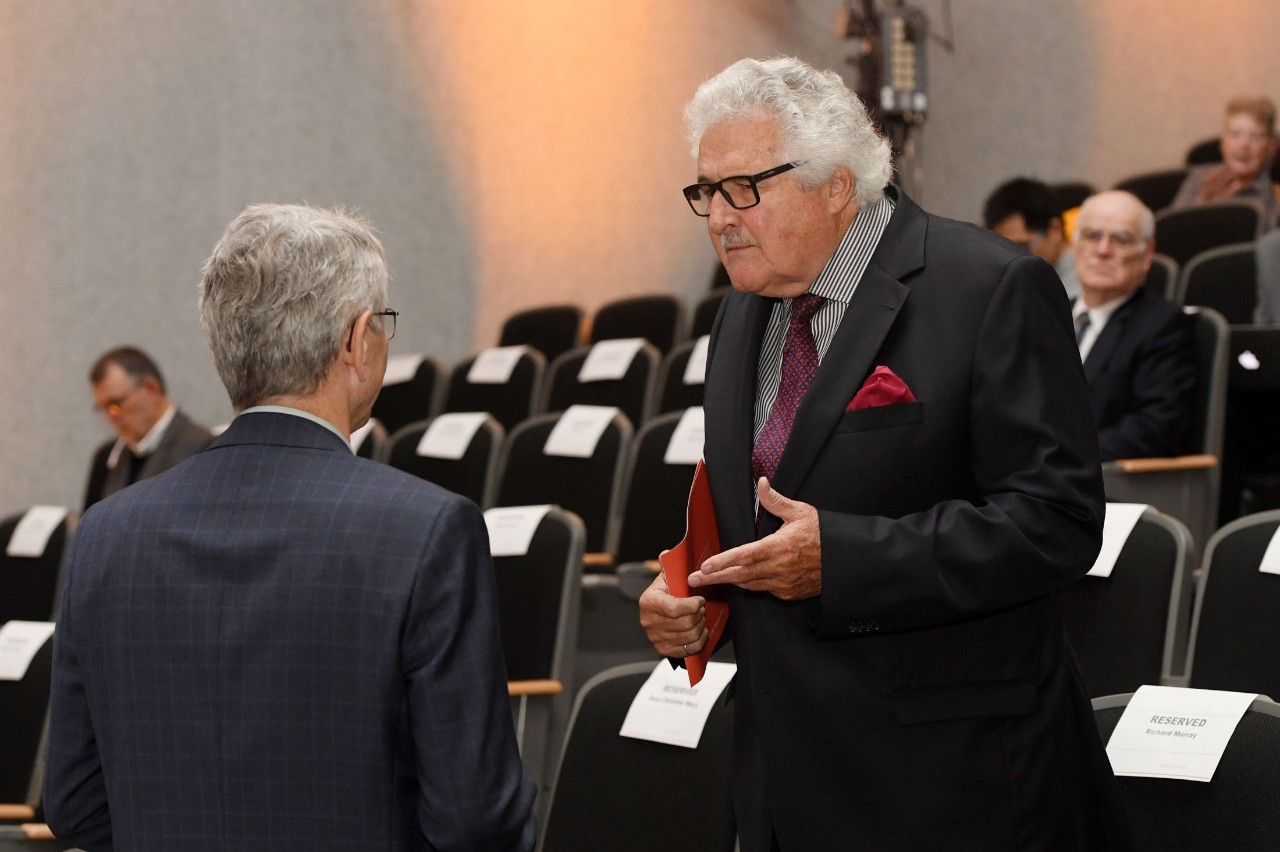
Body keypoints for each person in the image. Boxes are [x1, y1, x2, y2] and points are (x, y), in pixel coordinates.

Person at [639, 57, 1132, 851]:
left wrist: (848, 559)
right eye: (706, 191)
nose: (720, 217)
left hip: (949, 785)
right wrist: (697, 608)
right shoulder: (738, 315)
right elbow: (762, 510)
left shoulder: (990, 286)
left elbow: (1057, 520)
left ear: (835, 182)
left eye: (744, 188)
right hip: (787, 784)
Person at [45, 204, 536, 851]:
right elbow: (477, 819)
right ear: (357, 341)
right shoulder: (427, 531)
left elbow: (74, 804)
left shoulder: (105, 537)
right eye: (383, 325)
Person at [1073, 190, 1196, 460]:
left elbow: (1154, 430)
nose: (1103, 250)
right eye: (1092, 235)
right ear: (1076, 245)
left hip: (1099, 481)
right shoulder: (1050, 314)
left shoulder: (1164, 325)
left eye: (1121, 239)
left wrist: (1062, 455)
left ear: (1147, 254)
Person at [82, 346, 212, 510]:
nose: (109, 418)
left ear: (151, 389)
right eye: (102, 409)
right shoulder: (105, 458)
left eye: (115, 405)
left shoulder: (204, 449)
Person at [1171, 95, 1279, 227]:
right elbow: (1171, 233)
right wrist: (1202, 205)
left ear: (1272, 146)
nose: (1244, 145)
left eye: (1255, 136)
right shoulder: (1200, 177)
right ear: (1222, 142)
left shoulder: (1274, 187)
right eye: (1235, 134)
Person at [983, 176, 1081, 298]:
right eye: (1003, 248)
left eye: (1022, 246)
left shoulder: (1085, 280)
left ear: (1055, 229)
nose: (1012, 257)